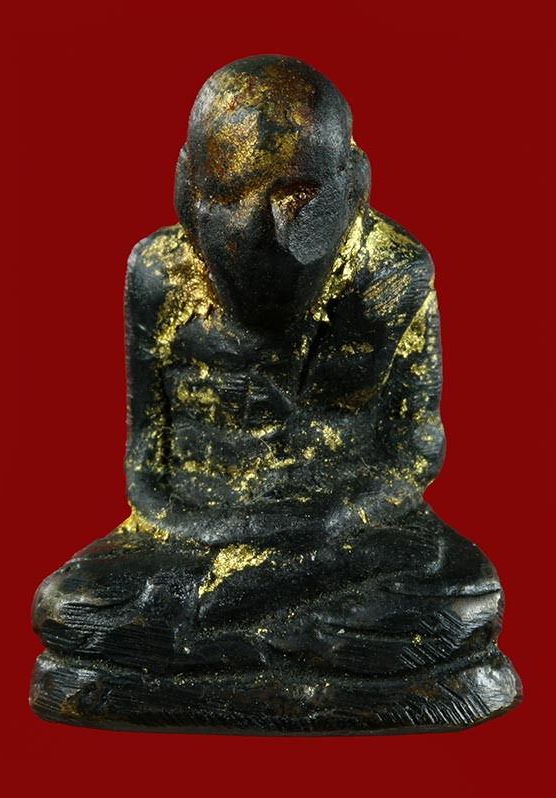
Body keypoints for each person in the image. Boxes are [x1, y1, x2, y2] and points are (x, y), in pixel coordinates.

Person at [30, 55, 520, 733]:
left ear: (356, 183)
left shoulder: (389, 274)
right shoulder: (158, 274)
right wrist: (213, 534)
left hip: (346, 538)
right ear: (185, 188)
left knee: (463, 593)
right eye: (231, 193)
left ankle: (214, 645)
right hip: (192, 540)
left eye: (300, 195)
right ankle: (286, 648)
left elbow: (416, 452)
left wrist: (321, 528)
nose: (259, 230)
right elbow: (145, 462)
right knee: (70, 605)